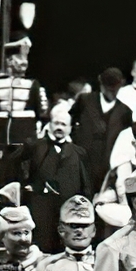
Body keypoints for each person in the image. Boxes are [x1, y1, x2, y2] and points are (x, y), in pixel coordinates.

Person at [26, 108, 92, 252]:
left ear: (69, 128)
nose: (59, 127)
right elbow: (25, 172)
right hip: (41, 208)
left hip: (68, 208)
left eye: (63, 124)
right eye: (56, 123)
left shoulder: (78, 152)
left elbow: (85, 183)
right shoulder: (36, 148)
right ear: (50, 125)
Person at [72, 66, 134, 192]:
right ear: (100, 82)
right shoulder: (85, 100)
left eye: (115, 89)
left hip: (107, 167)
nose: (112, 92)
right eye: (108, 88)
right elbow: (70, 122)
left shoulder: (125, 112)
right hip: (81, 162)